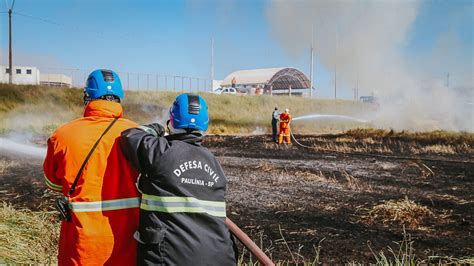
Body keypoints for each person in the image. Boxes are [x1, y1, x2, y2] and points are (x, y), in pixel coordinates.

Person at [120, 93, 237, 266]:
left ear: (172, 121)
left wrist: (157, 129)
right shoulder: (214, 163)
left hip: (169, 257)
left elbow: (130, 136)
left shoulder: (160, 152)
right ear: (205, 125)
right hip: (219, 255)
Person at [43, 69, 140, 265]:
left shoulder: (62, 135)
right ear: (119, 98)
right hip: (127, 247)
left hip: (80, 249)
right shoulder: (138, 135)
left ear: (87, 96)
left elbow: (52, 184)